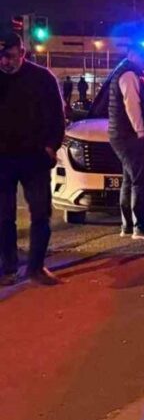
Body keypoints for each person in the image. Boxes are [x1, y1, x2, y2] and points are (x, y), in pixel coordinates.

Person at [0, 33, 65, 286]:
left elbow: (57, 117)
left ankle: (36, 267)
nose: (5, 62)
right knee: (3, 217)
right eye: (1, 57)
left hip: (34, 158)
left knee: (40, 214)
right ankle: (7, 267)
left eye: (10, 56)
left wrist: (51, 147)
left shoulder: (42, 78)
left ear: (22, 53)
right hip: (2, 159)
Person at [106, 44, 144, 240]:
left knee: (130, 180)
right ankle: (141, 227)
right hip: (130, 136)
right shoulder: (130, 75)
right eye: (143, 56)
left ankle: (128, 226)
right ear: (132, 55)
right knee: (141, 180)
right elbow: (133, 105)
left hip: (123, 135)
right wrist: (141, 132)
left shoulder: (127, 72)